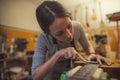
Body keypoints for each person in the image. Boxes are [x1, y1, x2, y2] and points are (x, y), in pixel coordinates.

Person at [31, 1, 112, 80]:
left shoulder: (77, 26)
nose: (69, 35)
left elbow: (88, 46)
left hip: (72, 73)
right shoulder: (43, 38)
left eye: (69, 26)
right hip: (52, 77)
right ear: (48, 33)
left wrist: (92, 53)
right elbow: (35, 76)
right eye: (59, 33)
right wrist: (58, 54)